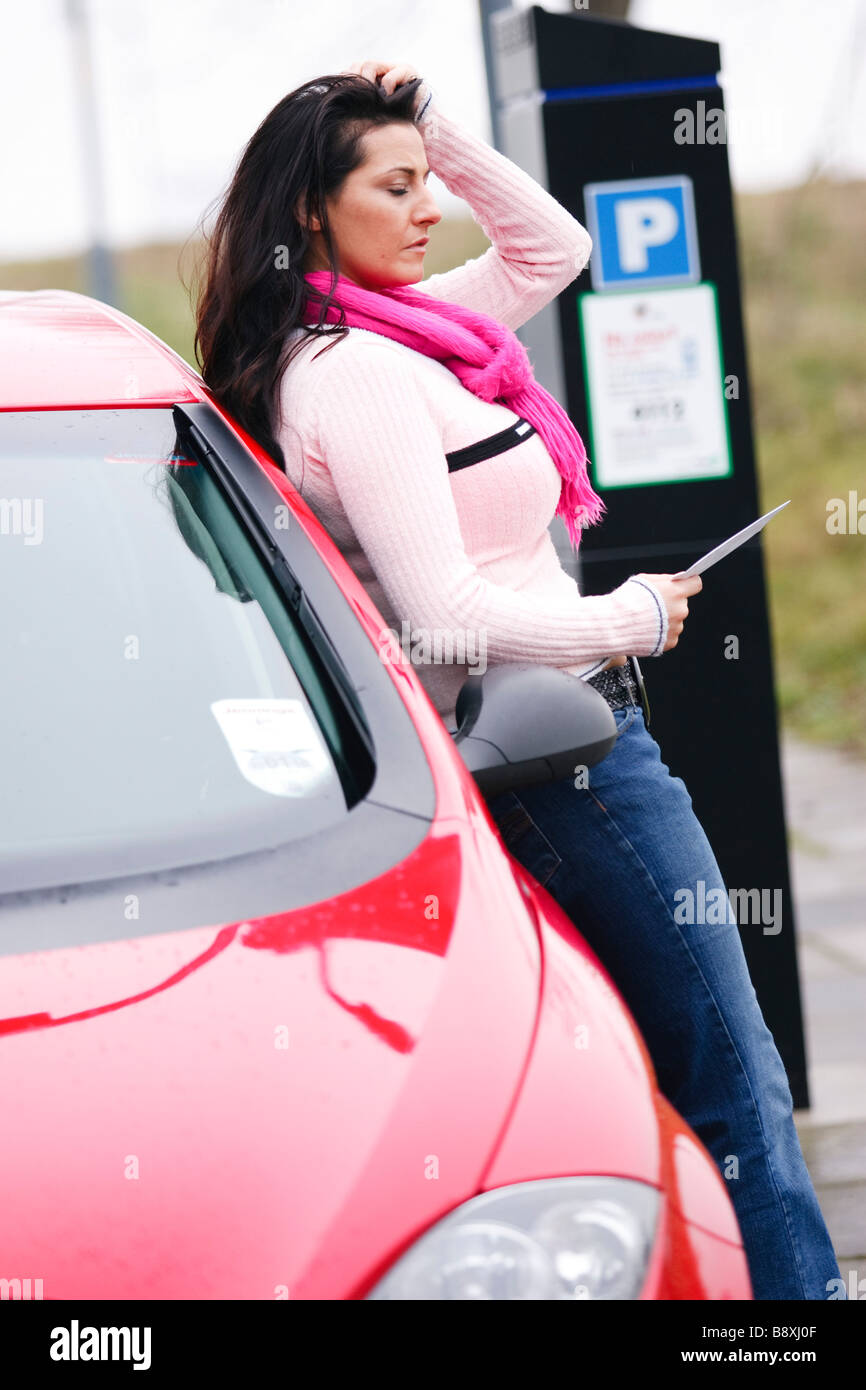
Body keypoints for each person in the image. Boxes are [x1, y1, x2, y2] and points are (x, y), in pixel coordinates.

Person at [191, 59, 843, 1301]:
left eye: (429, 179)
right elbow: (441, 616)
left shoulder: (410, 331)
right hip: (562, 760)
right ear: (312, 213)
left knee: (663, 1066)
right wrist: (628, 616)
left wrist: (426, 124)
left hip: (549, 744)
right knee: (728, 1073)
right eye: (397, 185)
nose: (430, 204)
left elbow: (553, 246)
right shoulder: (368, 375)